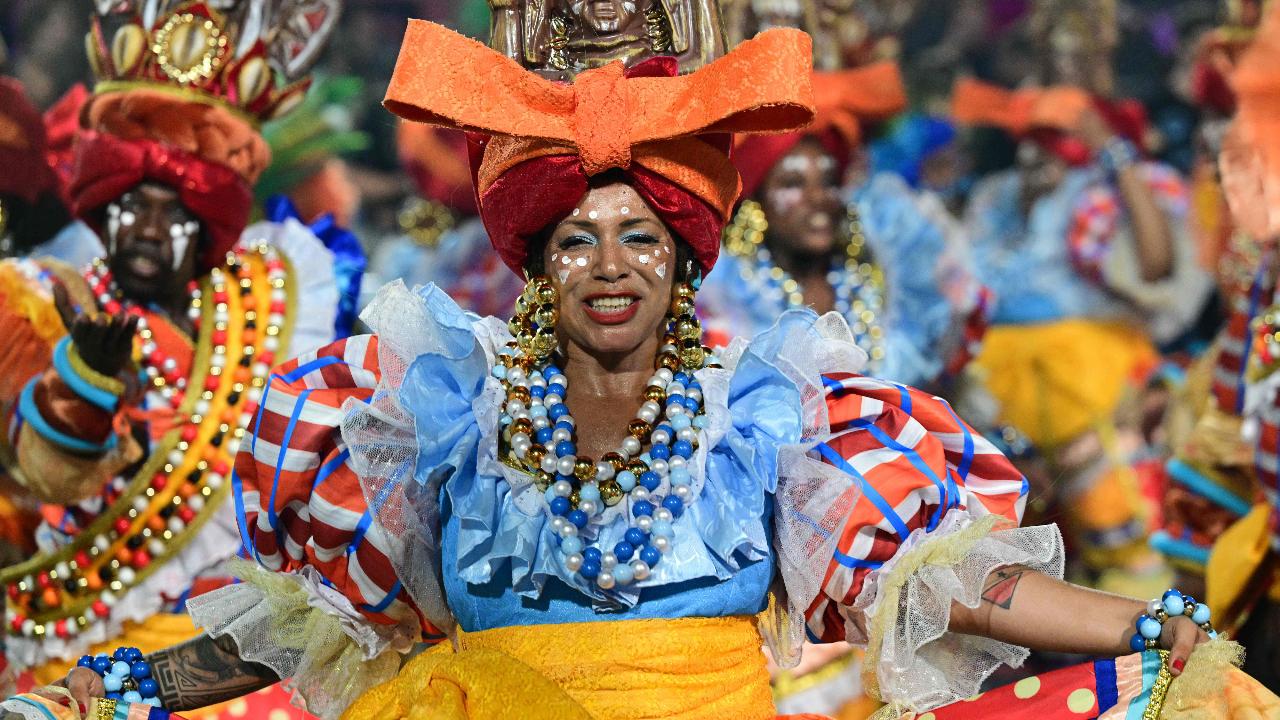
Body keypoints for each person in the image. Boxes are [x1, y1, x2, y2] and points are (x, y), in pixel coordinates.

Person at [15, 15, 1280, 720]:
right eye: (575, 238)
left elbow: (948, 584)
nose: (608, 263)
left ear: (684, 260)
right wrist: (113, 688)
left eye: (639, 236)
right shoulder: (438, 416)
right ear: (532, 261)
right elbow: (305, 625)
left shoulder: (768, 416)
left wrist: (1147, 624)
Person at [0, 1, 345, 716]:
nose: (151, 229)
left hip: (229, 646)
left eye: (175, 211)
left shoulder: (272, 301)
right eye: (135, 205)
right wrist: (83, 393)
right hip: (77, 646)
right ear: (104, 206)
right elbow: (38, 472)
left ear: (207, 221)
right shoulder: (46, 300)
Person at [953, 77, 1214, 589]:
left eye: (1050, 139)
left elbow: (1158, 264)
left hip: (1093, 389)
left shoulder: (1095, 193)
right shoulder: (994, 198)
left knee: (1124, 542)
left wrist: (1112, 154)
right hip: (998, 400)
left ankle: (1157, 662)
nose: (1035, 152)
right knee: (1012, 558)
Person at [701, 63, 986, 390]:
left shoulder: (874, 279)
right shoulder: (725, 293)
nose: (818, 197)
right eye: (793, 183)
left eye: (829, 181)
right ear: (756, 200)